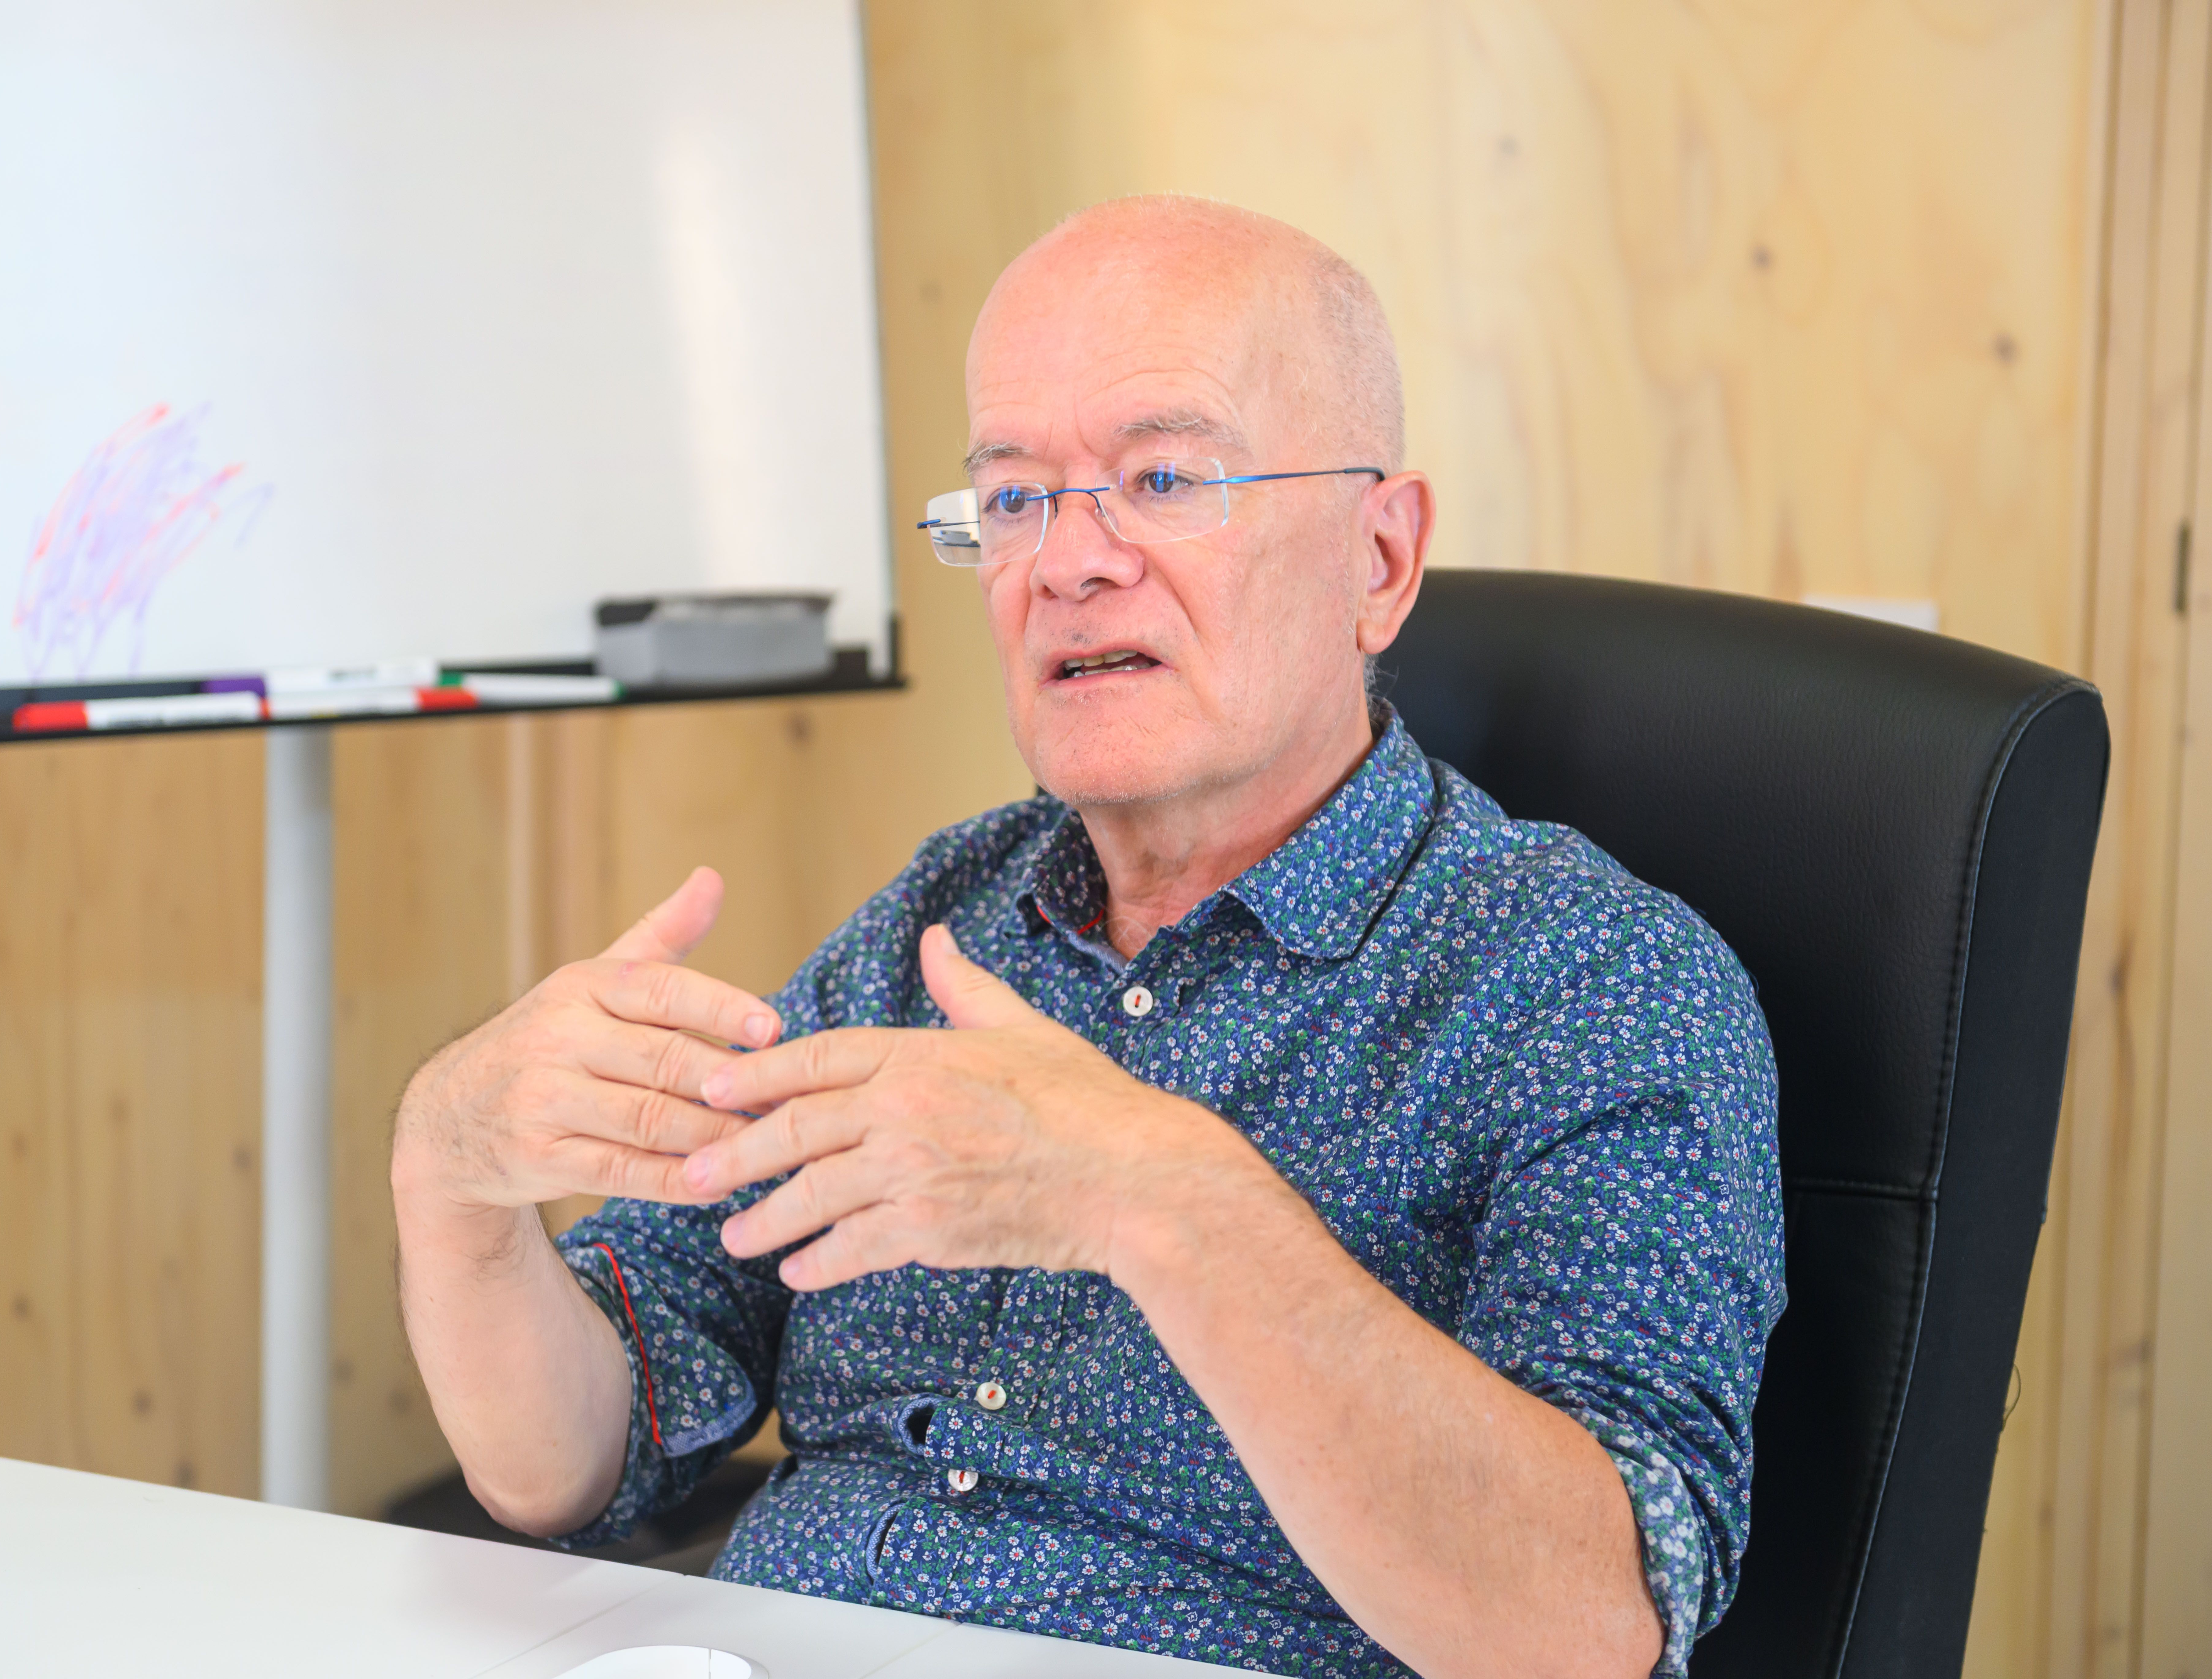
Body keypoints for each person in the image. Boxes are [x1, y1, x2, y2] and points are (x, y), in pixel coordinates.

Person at [392, 196, 1783, 1679]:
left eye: (1161, 477)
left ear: (1378, 558)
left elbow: (1590, 1626)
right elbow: (571, 1460)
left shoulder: (1596, 980)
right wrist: (451, 1176)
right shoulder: (947, 917)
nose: (1066, 563)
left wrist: (1161, 1202)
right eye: (1010, 498)